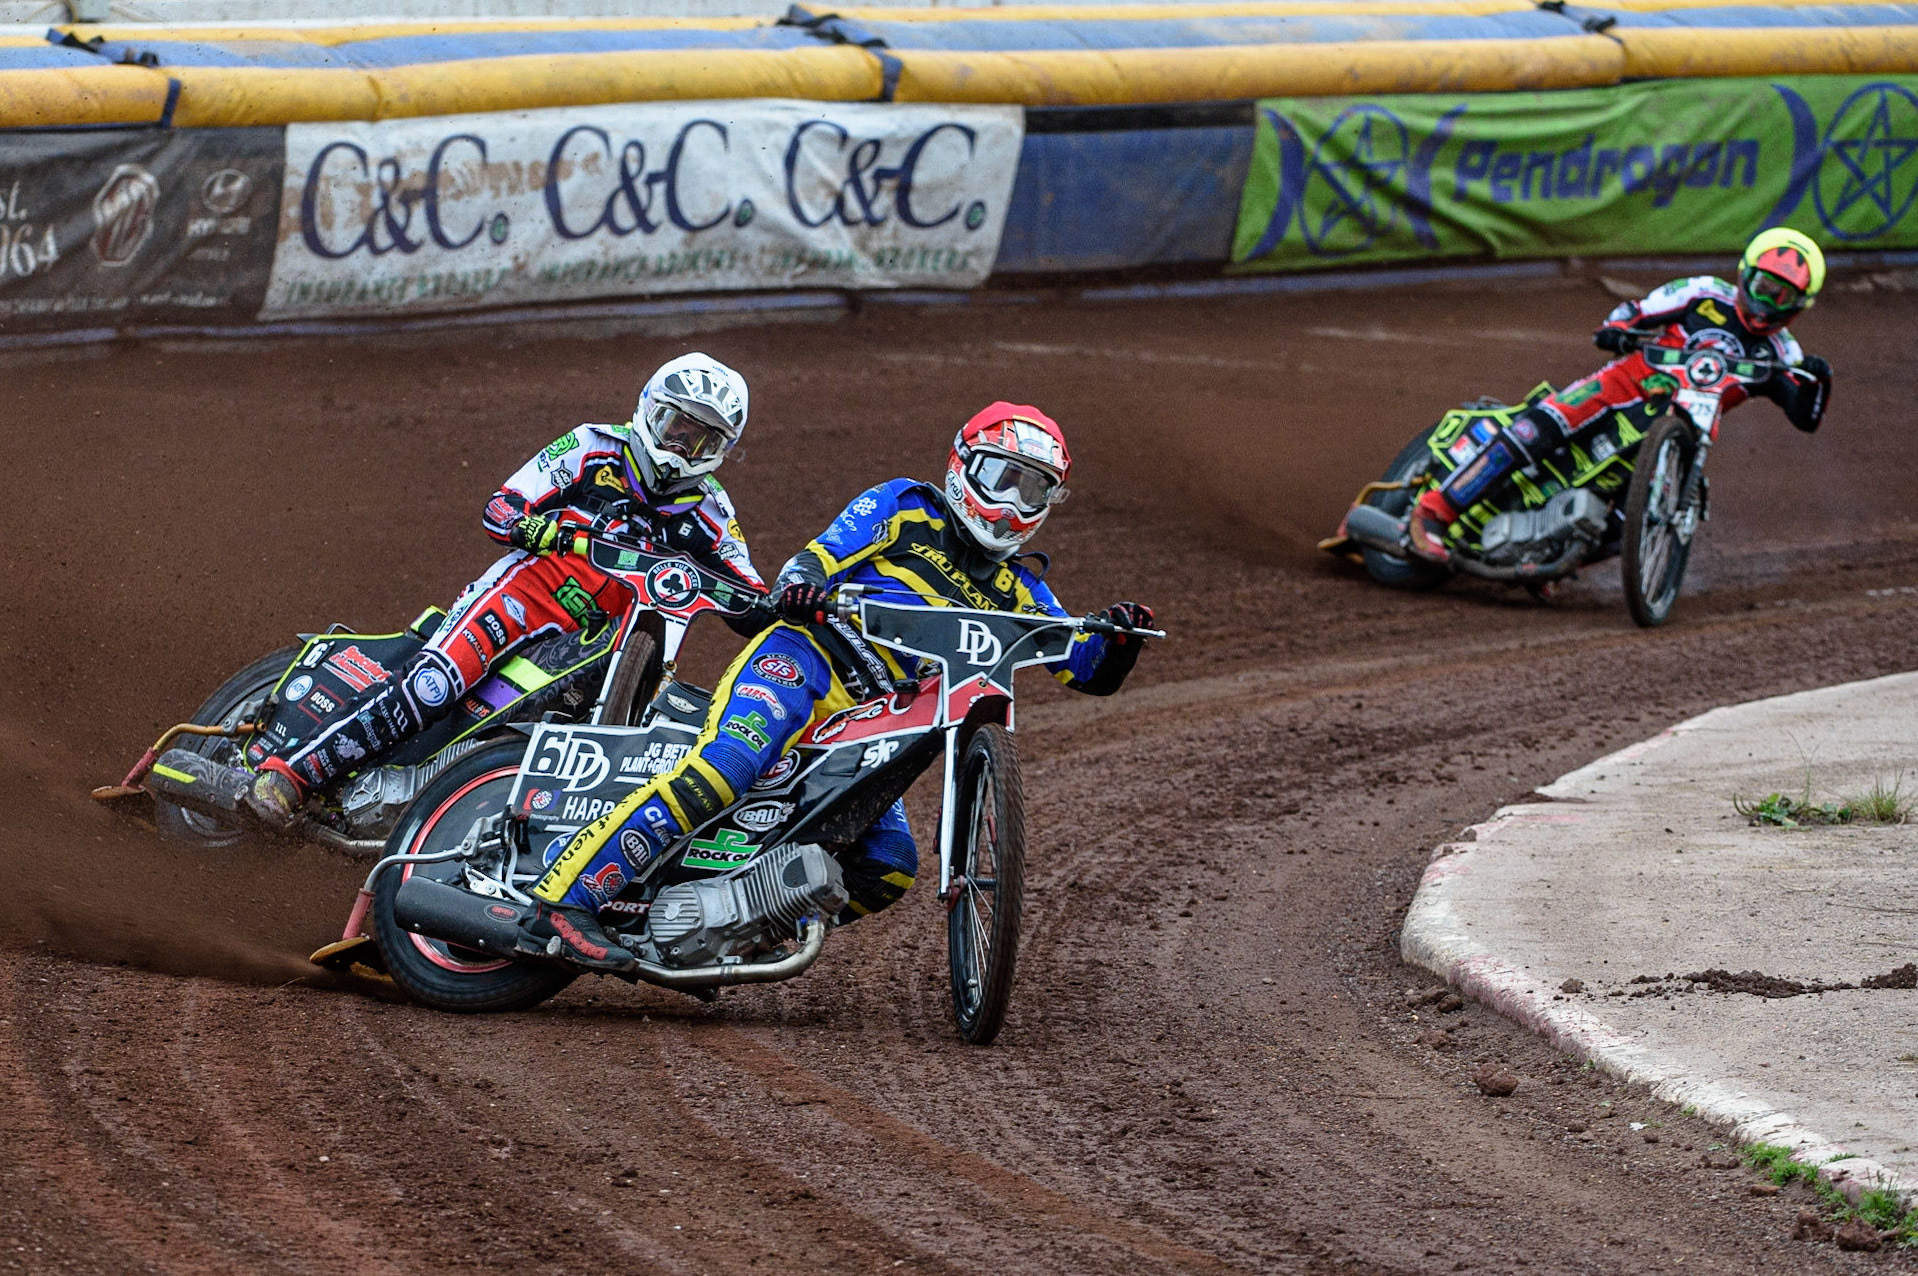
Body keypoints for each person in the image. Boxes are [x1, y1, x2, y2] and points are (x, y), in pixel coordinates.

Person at [519, 401, 1156, 973]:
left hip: (875, 723)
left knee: (889, 867)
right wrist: (800, 586)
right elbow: (820, 556)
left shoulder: (1023, 589)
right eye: (1002, 478)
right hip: (806, 660)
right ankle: (566, 899)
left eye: (1034, 489)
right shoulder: (907, 506)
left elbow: (1085, 669)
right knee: (728, 766)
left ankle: (726, 930)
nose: (1014, 504)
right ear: (963, 468)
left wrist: (1120, 639)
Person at [244, 353, 766, 829]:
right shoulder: (594, 447)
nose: (682, 448)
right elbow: (502, 505)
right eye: (677, 427)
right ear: (651, 409)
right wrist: (532, 528)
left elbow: (751, 598)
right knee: (434, 686)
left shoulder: (712, 514)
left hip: (600, 645)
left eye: (702, 441)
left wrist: (794, 601)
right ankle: (291, 776)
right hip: (523, 597)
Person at [1406, 227, 1835, 562]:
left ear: (1802, 304)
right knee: (1535, 432)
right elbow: (1636, 311)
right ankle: (1434, 511)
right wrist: (1618, 329)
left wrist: (1819, 380)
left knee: (1635, 519)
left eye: (1783, 297)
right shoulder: (1703, 293)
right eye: (1763, 287)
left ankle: (1550, 555)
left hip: (1680, 436)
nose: (1766, 304)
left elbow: (1806, 416)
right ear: (1744, 275)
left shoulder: (1784, 353)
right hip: (1620, 387)